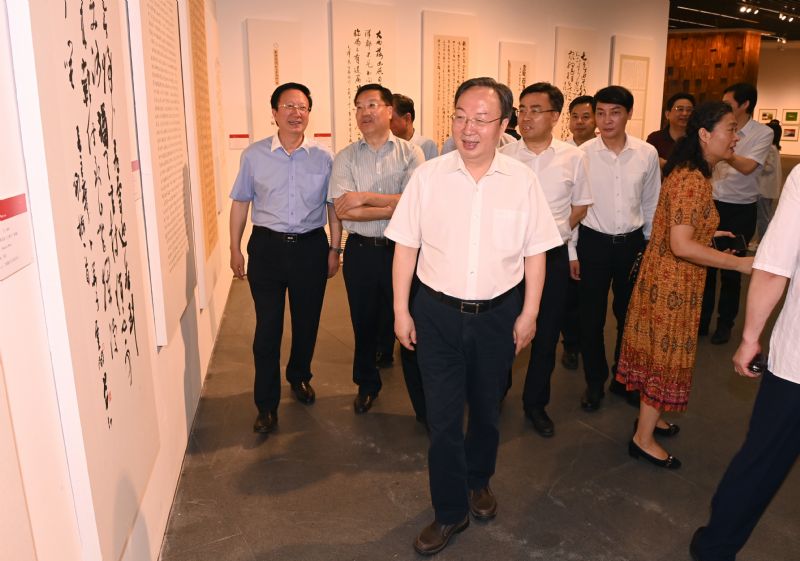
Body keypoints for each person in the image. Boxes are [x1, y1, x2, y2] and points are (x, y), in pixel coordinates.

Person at [386, 77, 561, 555]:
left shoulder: (522, 181)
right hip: (436, 314)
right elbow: (405, 247)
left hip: (498, 316)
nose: (468, 128)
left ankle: (479, 479)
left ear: (503, 126)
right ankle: (448, 511)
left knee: (486, 410)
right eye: (461, 117)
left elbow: (536, 252)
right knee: (443, 420)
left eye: (481, 119)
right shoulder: (428, 177)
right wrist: (401, 310)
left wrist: (529, 313)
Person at [617, 101, 754, 469]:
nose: (736, 137)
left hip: (669, 279)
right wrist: (739, 263)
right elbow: (681, 245)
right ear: (705, 135)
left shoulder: (692, 173)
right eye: (731, 129)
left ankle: (650, 420)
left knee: (658, 354)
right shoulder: (692, 180)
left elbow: (681, 229)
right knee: (663, 358)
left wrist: (710, 233)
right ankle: (643, 439)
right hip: (673, 286)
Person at [690, 164, 800, 561]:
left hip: (796, 364)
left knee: (763, 459)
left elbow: (773, 269)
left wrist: (750, 338)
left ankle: (716, 548)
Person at [229, 82, 341, 434]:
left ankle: (299, 375)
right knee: (268, 328)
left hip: (310, 248)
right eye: (289, 106)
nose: (296, 113)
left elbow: (333, 207)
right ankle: (266, 404)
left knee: (307, 322)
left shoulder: (324, 157)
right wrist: (234, 247)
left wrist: (335, 248)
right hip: (267, 249)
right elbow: (241, 202)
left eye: (302, 107)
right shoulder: (254, 155)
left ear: (309, 113)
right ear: (274, 113)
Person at [500, 82, 592, 437]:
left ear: (555, 116)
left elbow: (581, 205)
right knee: (504, 327)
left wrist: (558, 234)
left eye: (535, 110)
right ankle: (496, 392)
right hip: (510, 256)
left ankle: (535, 403)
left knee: (547, 331)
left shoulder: (573, 157)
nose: (525, 117)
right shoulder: (505, 156)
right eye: (522, 109)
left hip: (552, 257)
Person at [329, 83, 424, 414]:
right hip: (362, 251)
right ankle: (367, 384)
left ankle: (422, 398)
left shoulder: (411, 153)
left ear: (389, 110)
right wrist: (393, 205)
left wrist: (364, 197)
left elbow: (415, 203)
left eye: (372, 105)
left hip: (404, 251)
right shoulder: (346, 157)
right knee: (363, 321)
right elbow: (344, 211)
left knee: (410, 320)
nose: (364, 112)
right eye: (359, 106)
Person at [576, 85, 661, 412]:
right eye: (600, 113)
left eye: (615, 113)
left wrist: (650, 245)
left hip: (632, 244)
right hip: (592, 243)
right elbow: (575, 204)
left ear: (629, 114)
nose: (606, 120)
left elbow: (651, 202)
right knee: (590, 318)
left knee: (630, 317)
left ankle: (624, 378)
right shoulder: (582, 153)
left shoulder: (646, 153)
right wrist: (571, 251)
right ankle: (594, 381)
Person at [700, 83, 773, 345]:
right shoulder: (717, 125)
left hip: (741, 209)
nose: (724, 107)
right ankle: (702, 321)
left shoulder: (762, 133)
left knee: (732, 270)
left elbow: (748, 167)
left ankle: (725, 324)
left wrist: (723, 149)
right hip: (712, 203)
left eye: (729, 103)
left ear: (745, 104)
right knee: (705, 265)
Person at [561, 95, 597, 370]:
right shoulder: (562, 154)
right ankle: (571, 345)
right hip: (568, 236)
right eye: (575, 116)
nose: (580, 122)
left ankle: (589, 344)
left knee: (591, 298)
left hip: (596, 236)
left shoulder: (600, 153)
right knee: (569, 299)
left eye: (586, 116)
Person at [646, 92, 695, 168]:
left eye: (689, 110)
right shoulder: (655, 138)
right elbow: (647, 164)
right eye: (680, 109)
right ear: (667, 114)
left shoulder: (698, 139)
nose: (685, 113)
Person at [754, 119, 782, 245]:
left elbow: (768, 168)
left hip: (764, 189)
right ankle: (761, 241)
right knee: (765, 216)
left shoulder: (770, 148)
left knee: (763, 218)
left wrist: (756, 164)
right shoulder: (774, 148)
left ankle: (762, 243)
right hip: (768, 189)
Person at [390, 93, 439, 161]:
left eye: (390, 120)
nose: (385, 124)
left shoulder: (427, 146)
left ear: (407, 119)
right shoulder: (385, 146)